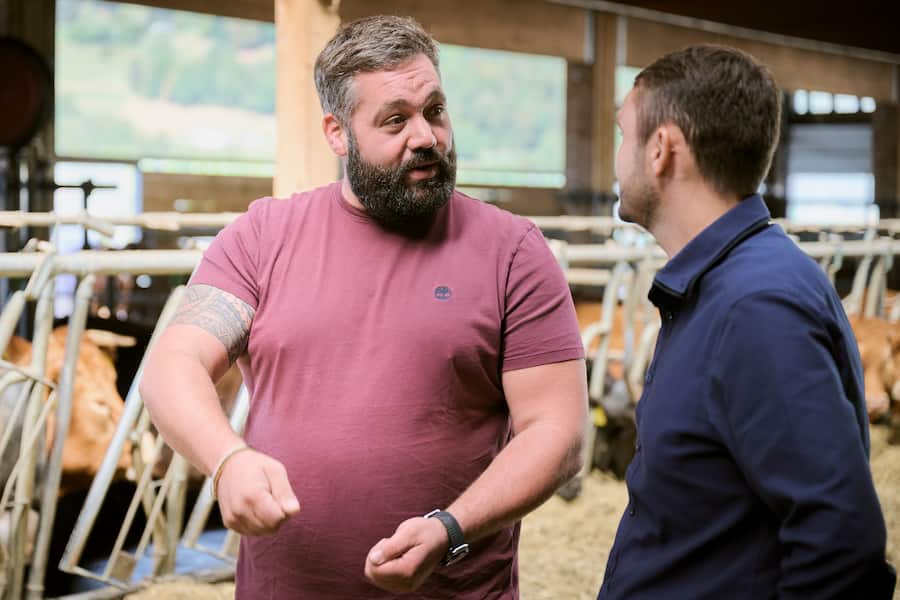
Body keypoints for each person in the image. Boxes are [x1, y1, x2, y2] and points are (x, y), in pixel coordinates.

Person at [140, 15, 588, 599]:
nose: (425, 136)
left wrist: (449, 531)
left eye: (435, 110)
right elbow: (172, 366)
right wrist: (227, 460)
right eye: (395, 120)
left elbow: (557, 433)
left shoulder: (514, 252)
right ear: (336, 133)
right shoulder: (263, 237)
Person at [598, 44, 896, 599]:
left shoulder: (755, 306)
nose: (618, 157)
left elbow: (841, 545)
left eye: (623, 134)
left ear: (661, 149)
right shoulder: (723, 284)